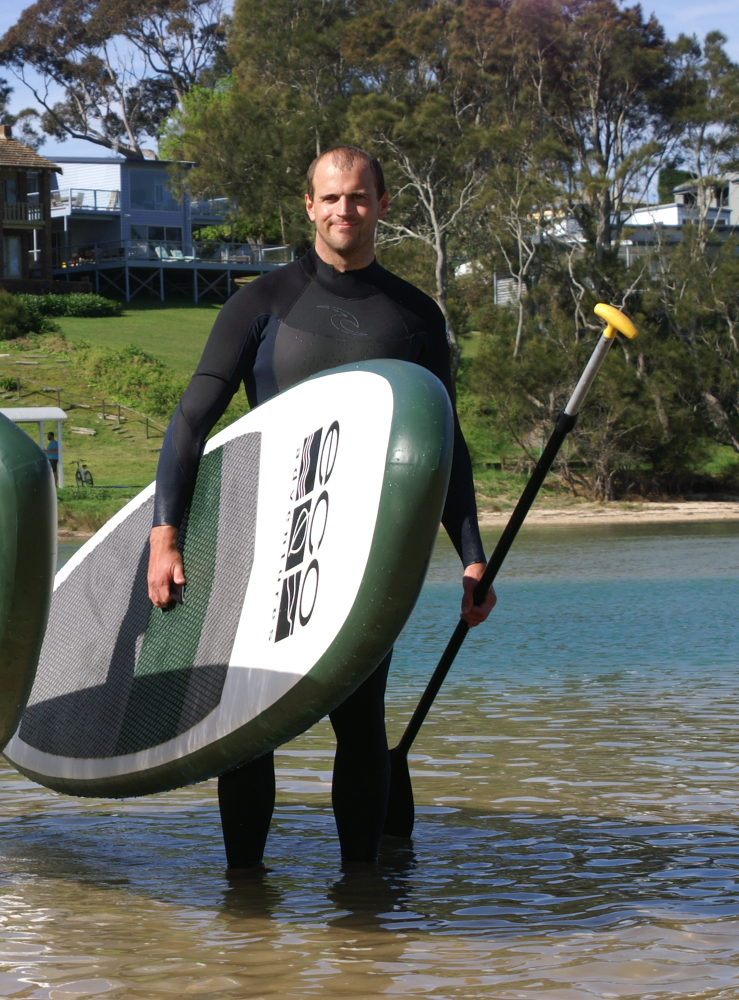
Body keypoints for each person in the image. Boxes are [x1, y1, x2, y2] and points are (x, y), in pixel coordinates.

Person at [147, 146, 498, 872]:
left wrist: (470, 552)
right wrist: (165, 534)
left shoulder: (415, 317)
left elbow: (446, 447)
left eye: (360, 197)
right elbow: (190, 421)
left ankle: (360, 900)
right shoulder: (263, 303)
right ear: (309, 207)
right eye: (332, 198)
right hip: (260, 542)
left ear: (383, 204)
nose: (346, 210)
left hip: (364, 553)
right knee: (246, 728)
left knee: (362, 728)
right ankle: (245, 885)